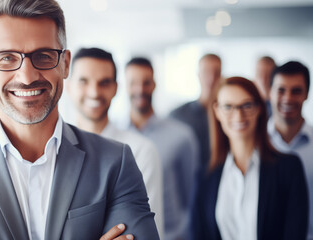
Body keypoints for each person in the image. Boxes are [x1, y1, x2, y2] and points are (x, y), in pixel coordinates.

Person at [0, 0, 159, 239]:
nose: (26, 76)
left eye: (44, 56)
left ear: (65, 63)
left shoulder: (116, 163)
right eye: (7, 58)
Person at [191, 77, 308, 240]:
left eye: (246, 105)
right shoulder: (205, 177)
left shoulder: (289, 168)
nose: (238, 115)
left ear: (259, 108)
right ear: (217, 111)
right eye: (228, 107)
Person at [66, 48, 164, 238]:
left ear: (115, 88)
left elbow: (141, 233)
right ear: (69, 86)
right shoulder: (54, 148)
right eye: (84, 81)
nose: (94, 92)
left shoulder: (140, 150)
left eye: (104, 83)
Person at [123, 57, 199, 240]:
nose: (140, 90)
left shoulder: (182, 136)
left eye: (146, 82)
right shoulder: (112, 137)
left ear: (154, 85)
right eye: (133, 83)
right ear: (124, 86)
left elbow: (191, 195)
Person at [267, 61, 313, 239]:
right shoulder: (254, 145)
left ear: (307, 94)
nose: (287, 98)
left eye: (296, 91)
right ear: (270, 92)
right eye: (281, 90)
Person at [170, 53, 222, 175]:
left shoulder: (228, 114)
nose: (211, 78)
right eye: (206, 72)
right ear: (198, 75)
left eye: (216, 72)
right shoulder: (178, 115)